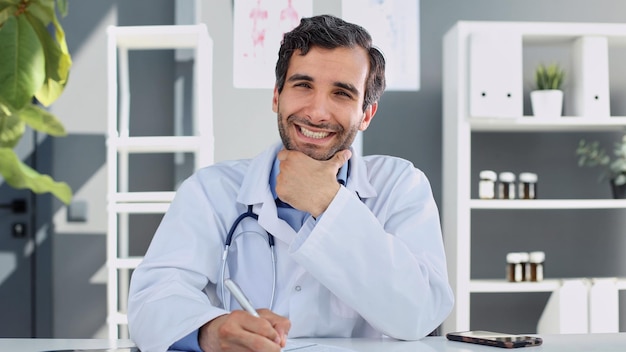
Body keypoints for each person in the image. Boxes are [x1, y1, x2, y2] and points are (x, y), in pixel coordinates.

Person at [127, 14, 454, 352]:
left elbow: (421, 313)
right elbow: (152, 302)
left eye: (341, 93)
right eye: (303, 85)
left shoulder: (400, 186)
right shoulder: (210, 191)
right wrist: (211, 330)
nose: (317, 112)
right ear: (276, 96)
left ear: (366, 114)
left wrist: (327, 202)